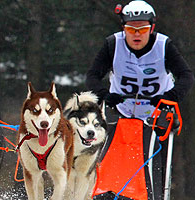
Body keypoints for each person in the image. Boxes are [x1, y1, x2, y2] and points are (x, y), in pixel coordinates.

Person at [86, 0, 194, 199]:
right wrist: (105, 95)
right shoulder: (113, 44)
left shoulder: (164, 45)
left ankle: (155, 195)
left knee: (153, 164)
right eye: (131, 28)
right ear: (123, 28)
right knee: (113, 162)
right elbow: (92, 76)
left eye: (142, 29)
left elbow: (187, 76)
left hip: (157, 114)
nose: (137, 34)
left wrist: (169, 97)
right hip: (122, 111)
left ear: (151, 28)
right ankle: (107, 193)